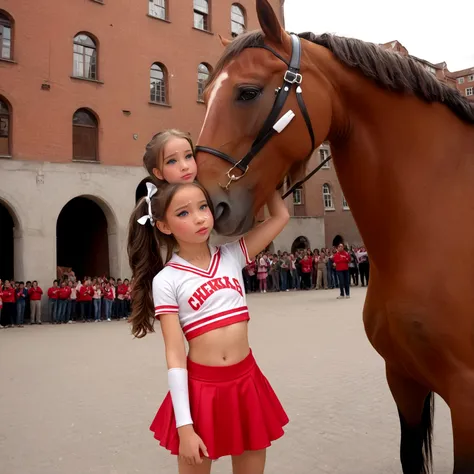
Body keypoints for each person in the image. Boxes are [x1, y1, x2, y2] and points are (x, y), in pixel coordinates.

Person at [127, 181, 289, 473]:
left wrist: (268, 176)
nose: (200, 217)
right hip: (201, 392)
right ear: (164, 227)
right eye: (184, 213)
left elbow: (280, 217)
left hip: (246, 382)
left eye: (203, 207)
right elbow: (175, 355)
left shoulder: (232, 255)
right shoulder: (167, 280)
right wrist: (185, 427)